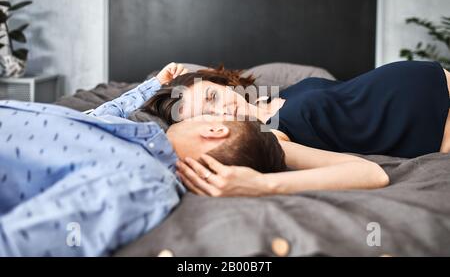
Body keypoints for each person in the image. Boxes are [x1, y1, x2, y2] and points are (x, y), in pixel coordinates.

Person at [0, 63, 286, 256]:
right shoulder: (137, 137)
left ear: (215, 129)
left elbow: (24, 241)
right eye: (210, 100)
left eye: (210, 113)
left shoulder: (144, 178)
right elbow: (93, 118)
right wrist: (150, 87)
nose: (223, 109)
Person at [144, 61, 450, 158]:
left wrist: (165, 83)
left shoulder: (269, 98)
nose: (221, 108)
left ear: (222, 83)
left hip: (430, 80)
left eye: (212, 96)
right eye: (207, 115)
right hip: (430, 121)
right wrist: (146, 91)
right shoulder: (271, 137)